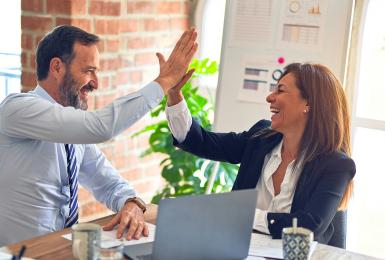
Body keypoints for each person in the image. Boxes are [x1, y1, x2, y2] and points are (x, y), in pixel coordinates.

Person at [0, 25, 197, 246]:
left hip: (61, 248)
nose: (96, 83)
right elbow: (100, 127)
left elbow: (108, 183)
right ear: (57, 67)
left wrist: (131, 203)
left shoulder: (72, 130)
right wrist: (164, 82)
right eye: (88, 70)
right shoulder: (17, 109)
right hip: (19, 253)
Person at [165, 63, 355, 245]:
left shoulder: (336, 165)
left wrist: (243, 215)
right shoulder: (261, 137)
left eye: (280, 90)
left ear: (308, 104)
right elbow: (201, 142)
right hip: (239, 251)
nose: (270, 97)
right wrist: (174, 95)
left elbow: (308, 226)